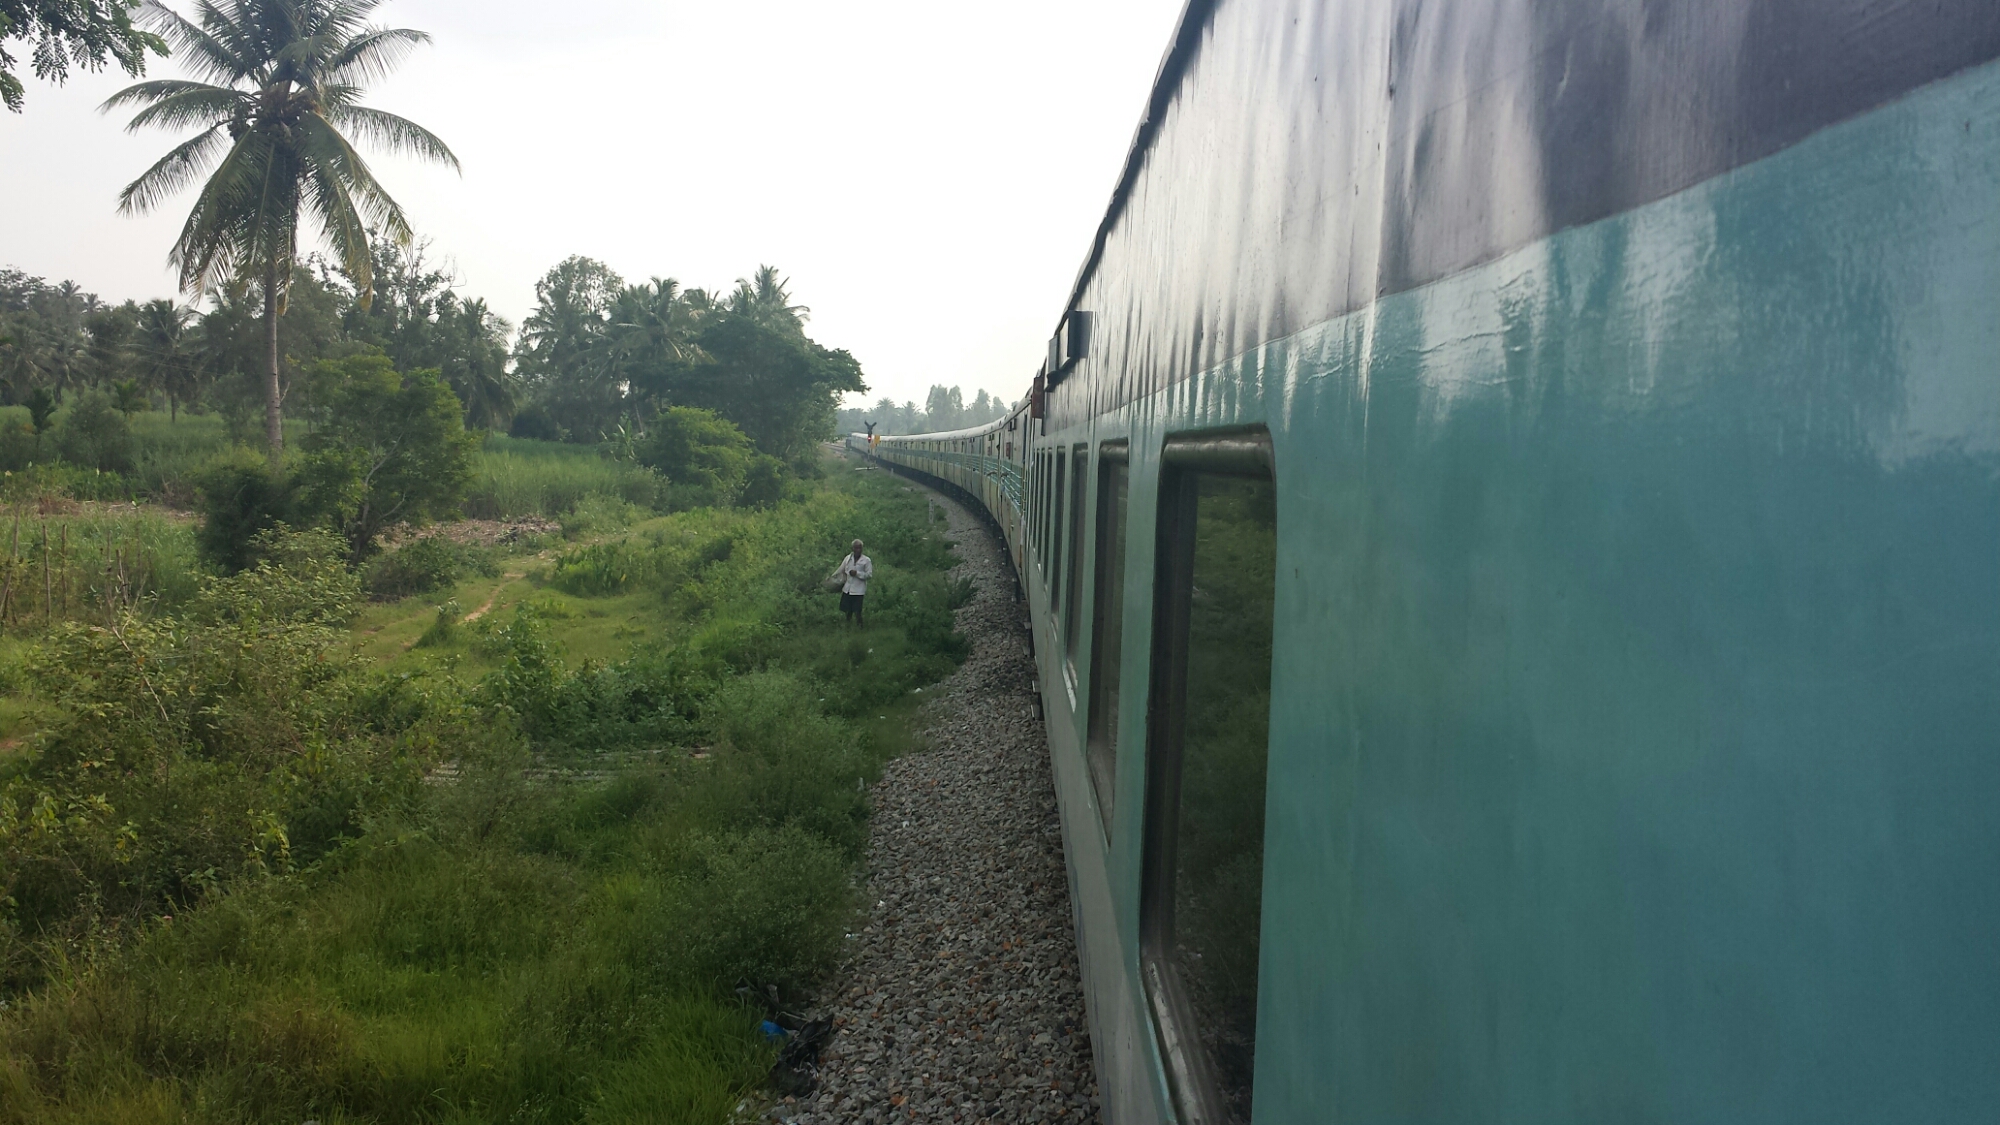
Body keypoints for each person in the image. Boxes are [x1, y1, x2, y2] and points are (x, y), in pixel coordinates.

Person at [837, 539, 873, 628]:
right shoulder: (848, 558)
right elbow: (841, 570)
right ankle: (847, 627)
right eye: (856, 548)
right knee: (847, 611)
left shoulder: (866, 560)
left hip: (859, 590)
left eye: (860, 548)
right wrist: (832, 578)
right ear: (853, 548)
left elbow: (869, 575)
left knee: (857, 611)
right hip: (848, 589)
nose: (858, 550)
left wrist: (857, 573)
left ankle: (860, 628)